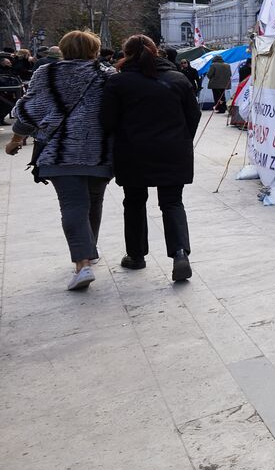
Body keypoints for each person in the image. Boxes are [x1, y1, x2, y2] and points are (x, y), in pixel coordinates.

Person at [4, 30, 112, 291]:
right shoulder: (107, 75)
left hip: (60, 152)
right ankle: (90, 249)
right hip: (100, 151)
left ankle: (82, 263)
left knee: (73, 205)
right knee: (93, 201)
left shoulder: (47, 73)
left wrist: (16, 140)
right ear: (94, 50)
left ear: (63, 50)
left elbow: (30, 111)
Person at [101, 35, 198, 282]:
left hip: (132, 151)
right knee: (172, 202)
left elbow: (107, 121)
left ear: (126, 53)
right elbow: (193, 115)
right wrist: (182, 139)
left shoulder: (119, 83)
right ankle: (179, 254)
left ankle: (136, 255)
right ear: (156, 51)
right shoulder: (178, 79)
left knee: (133, 202)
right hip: (173, 150)